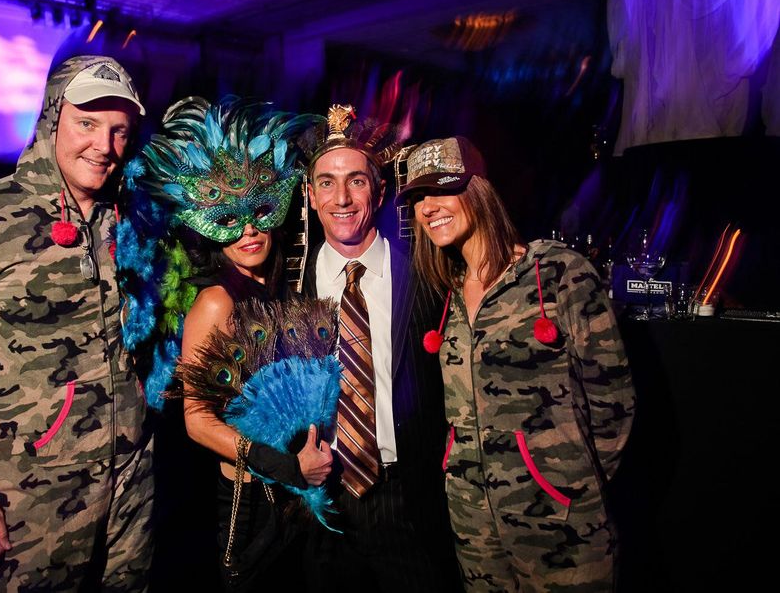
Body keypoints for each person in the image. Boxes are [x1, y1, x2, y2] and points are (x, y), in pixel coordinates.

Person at [0, 55, 155, 591]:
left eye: (119, 131)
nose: (104, 146)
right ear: (51, 117)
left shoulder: (130, 219)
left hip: (130, 473)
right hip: (31, 488)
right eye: (87, 123)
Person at [396, 136, 636, 591]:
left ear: (479, 189)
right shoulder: (446, 293)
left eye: (442, 189)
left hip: (560, 525)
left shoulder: (558, 273)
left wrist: (561, 483)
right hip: (474, 529)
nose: (428, 207)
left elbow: (614, 402)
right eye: (418, 198)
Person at [143, 96, 333, 591]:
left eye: (260, 212)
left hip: (298, 495)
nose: (249, 230)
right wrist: (285, 466)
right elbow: (197, 421)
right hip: (250, 501)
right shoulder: (215, 301)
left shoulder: (278, 289)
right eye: (230, 218)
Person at [301, 105, 451, 592]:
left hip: (407, 499)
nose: (341, 198)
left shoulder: (430, 281)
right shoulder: (287, 293)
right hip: (321, 509)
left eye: (357, 182)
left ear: (380, 191)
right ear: (309, 194)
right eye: (326, 182)